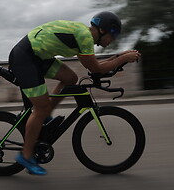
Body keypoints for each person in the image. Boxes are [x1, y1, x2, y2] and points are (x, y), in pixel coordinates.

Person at [8, 11, 141, 175]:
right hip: (25, 58)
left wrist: (120, 56)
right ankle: (26, 156)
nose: (114, 40)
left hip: (38, 56)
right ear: (104, 30)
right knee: (40, 109)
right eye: (114, 35)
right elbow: (96, 69)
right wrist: (122, 59)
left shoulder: (85, 36)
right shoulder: (84, 37)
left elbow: (94, 65)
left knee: (70, 78)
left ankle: (46, 113)